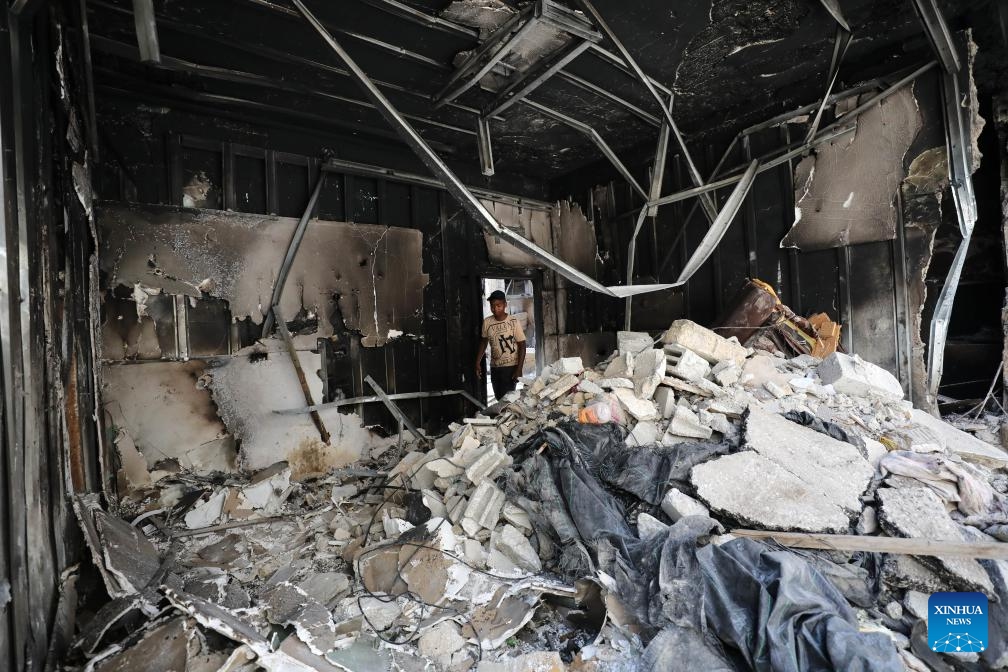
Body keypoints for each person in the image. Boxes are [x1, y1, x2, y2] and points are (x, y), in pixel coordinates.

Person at [475, 290, 526, 400]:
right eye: (492, 306)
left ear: (505, 305)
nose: (495, 309)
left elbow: (522, 345)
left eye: (498, 305)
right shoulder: (487, 322)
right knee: (499, 398)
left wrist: (519, 369)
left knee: (507, 399)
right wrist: (477, 362)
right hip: (495, 367)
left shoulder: (513, 321)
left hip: (510, 367)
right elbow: (484, 342)